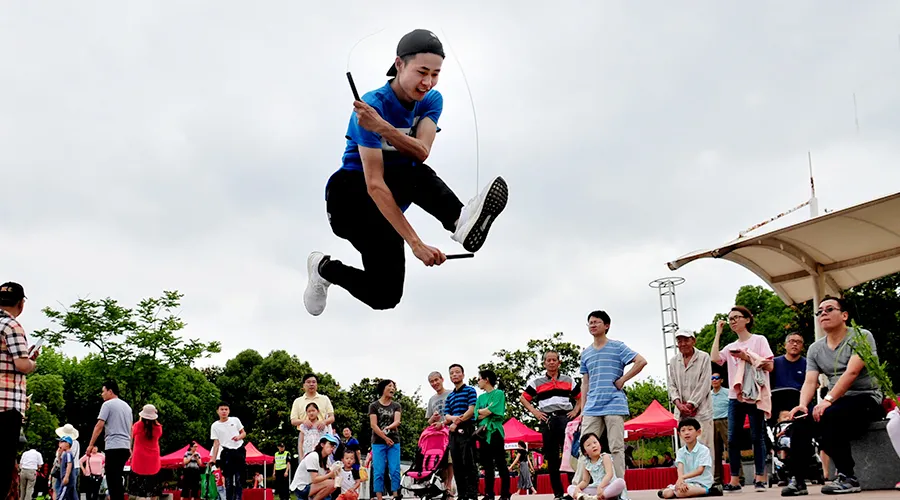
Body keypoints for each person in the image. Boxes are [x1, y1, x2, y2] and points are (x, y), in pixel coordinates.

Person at [303, 28, 509, 316]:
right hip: (350, 199)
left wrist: (383, 127)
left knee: (385, 295)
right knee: (408, 170)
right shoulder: (371, 106)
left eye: (435, 74)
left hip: (386, 207)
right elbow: (374, 184)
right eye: (421, 71)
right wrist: (416, 243)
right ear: (399, 64)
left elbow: (422, 150)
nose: (427, 82)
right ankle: (322, 267)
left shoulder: (430, 101)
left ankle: (460, 221)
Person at [781, 297, 886, 496]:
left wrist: (827, 401)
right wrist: (803, 405)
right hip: (837, 402)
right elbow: (810, 381)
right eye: (819, 311)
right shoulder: (815, 348)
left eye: (829, 309)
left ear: (844, 315)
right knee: (801, 421)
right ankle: (798, 479)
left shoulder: (861, 336)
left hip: (866, 398)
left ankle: (848, 476)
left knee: (829, 415)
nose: (823, 314)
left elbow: (852, 373)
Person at [710, 306, 773, 493]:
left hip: (754, 395)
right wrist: (718, 333)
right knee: (732, 438)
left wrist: (747, 357)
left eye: (736, 317)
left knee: (757, 435)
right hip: (735, 396)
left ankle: (760, 477)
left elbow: (770, 366)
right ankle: (735, 479)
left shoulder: (759, 340)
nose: (733, 321)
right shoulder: (730, 347)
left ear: (747, 319)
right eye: (730, 319)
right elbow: (715, 358)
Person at [579, 310, 647, 482]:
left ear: (607, 325)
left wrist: (623, 379)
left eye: (597, 322)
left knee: (616, 447)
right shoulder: (585, 353)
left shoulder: (618, 347)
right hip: (592, 406)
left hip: (614, 403)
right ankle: (580, 485)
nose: (593, 325)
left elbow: (641, 361)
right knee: (584, 446)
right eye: (590, 322)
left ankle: (619, 486)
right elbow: (585, 383)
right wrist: (582, 409)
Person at [520, 351, 581, 500]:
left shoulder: (568, 380)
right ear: (544, 363)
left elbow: (580, 397)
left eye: (554, 360)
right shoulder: (537, 382)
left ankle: (573, 491)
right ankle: (558, 494)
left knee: (570, 455)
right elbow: (523, 398)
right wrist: (535, 413)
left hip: (565, 418)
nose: (552, 362)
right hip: (547, 419)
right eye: (548, 360)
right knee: (552, 457)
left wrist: (575, 411)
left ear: (559, 362)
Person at [0, 282, 37, 500]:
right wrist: (32, 362)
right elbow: (22, 365)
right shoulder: (12, 326)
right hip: (6, 405)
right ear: (21, 304)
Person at [85, 381, 133, 500]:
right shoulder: (127, 407)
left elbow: (99, 426)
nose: (102, 394)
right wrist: (130, 446)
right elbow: (131, 429)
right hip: (125, 447)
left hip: (113, 446)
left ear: (110, 391)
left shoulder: (107, 405)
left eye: (103, 391)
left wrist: (90, 445)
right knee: (117, 478)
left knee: (112, 480)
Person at [667, 330, 713, 451]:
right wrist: (678, 403)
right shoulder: (673, 361)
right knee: (686, 450)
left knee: (704, 448)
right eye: (679, 341)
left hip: (701, 411)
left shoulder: (704, 357)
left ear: (693, 341)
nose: (683, 344)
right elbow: (672, 385)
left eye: (686, 340)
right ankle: (687, 471)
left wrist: (691, 404)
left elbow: (704, 384)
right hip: (682, 414)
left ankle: (706, 471)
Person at [657, 419, 721, 499]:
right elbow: (680, 468)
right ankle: (681, 490)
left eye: (690, 429)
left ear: (698, 432)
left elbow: (700, 470)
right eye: (683, 430)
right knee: (666, 494)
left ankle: (710, 490)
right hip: (687, 482)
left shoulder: (704, 450)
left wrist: (682, 478)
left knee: (680, 493)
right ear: (679, 434)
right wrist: (681, 480)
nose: (686, 433)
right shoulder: (680, 451)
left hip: (702, 482)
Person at [442, 364, 478, 500]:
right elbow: (446, 415)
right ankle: (462, 495)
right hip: (453, 431)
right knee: (456, 463)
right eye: (452, 373)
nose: (455, 375)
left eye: (457, 372)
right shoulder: (450, 396)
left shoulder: (470, 390)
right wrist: (453, 420)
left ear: (463, 374)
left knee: (468, 462)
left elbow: (471, 410)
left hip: (466, 428)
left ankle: (472, 494)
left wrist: (456, 422)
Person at [475, 369, 510, 500]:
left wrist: (485, 411)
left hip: (495, 431)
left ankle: (505, 494)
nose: (478, 381)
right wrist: (486, 410)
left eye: (479, 379)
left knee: (501, 463)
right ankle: (489, 494)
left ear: (486, 379)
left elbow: (495, 410)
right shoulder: (480, 397)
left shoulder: (499, 393)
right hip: (483, 432)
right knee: (487, 465)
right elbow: (476, 414)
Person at [566, 433, 627, 500]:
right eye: (589, 445)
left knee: (620, 482)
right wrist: (578, 487)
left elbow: (609, 474)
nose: (593, 446)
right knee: (571, 488)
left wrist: (601, 487)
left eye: (595, 442)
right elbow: (585, 481)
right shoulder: (586, 463)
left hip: (608, 486)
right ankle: (584, 497)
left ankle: (598, 497)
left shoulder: (605, 457)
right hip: (595, 489)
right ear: (585, 452)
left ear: (600, 445)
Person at [368, 380, 401, 500]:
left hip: (394, 442)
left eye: (394, 386)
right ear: (383, 388)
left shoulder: (396, 405)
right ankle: (379, 497)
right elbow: (373, 425)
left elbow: (397, 421)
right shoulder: (374, 406)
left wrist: (389, 428)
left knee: (395, 470)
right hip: (378, 443)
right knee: (378, 471)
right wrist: (385, 438)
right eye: (390, 386)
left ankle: (396, 495)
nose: (393, 388)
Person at [291, 375, 336, 457]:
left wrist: (324, 422)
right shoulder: (297, 401)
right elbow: (293, 421)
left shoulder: (324, 399)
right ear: (303, 385)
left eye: (314, 382)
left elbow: (332, 417)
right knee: (305, 461)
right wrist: (303, 421)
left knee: (323, 463)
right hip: (304, 435)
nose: (311, 384)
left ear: (317, 384)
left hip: (322, 434)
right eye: (308, 382)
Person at [210, 402, 247, 500]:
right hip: (227, 452)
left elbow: (243, 433)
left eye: (226, 409)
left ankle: (238, 498)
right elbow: (216, 443)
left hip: (239, 450)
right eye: (222, 409)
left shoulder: (235, 420)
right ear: (217, 411)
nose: (224, 411)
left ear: (229, 411)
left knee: (239, 479)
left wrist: (239, 437)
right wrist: (213, 459)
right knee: (228, 480)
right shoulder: (215, 426)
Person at [128, 405, 163, 500]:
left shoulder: (137, 426)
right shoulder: (158, 428)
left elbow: (130, 436)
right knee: (154, 490)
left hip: (138, 460)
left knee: (135, 490)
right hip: (153, 462)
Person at [290, 434, 340, 500]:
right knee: (332, 483)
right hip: (302, 488)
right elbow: (315, 479)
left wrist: (335, 472)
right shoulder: (313, 456)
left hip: (312, 486)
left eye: (334, 446)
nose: (332, 448)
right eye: (330, 444)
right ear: (322, 445)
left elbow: (330, 476)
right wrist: (330, 474)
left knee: (335, 483)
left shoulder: (326, 459)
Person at [708, 373, 730, 487]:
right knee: (715, 452)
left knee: (731, 449)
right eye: (712, 378)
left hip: (725, 421)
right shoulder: (708, 394)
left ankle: (738, 477)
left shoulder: (727, 392)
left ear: (721, 380)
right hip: (712, 422)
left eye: (716, 378)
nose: (714, 380)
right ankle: (717, 479)